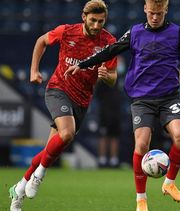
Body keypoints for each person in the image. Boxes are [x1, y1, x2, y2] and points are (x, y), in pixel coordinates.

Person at [65, 0, 180, 210]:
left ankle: (170, 184)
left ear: (165, 10)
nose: (155, 17)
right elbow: (110, 51)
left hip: (169, 97)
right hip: (142, 99)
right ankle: (141, 199)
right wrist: (82, 65)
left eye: (159, 13)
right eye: (152, 13)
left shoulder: (177, 33)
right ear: (145, 10)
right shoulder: (135, 32)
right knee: (141, 144)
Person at [9, 1, 117, 210]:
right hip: (58, 89)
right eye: (92, 20)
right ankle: (38, 176)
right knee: (67, 134)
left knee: (52, 148)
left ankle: (19, 188)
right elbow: (41, 41)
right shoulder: (67, 31)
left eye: (101, 21)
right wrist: (34, 70)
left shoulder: (108, 42)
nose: (96, 25)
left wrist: (107, 76)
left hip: (82, 100)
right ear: (84, 17)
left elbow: (113, 77)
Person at [96, 71, 123, 168]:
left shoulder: (120, 77)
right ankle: (102, 159)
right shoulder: (104, 78)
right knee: (104, 135)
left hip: (116, 112)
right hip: (105, 111)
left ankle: (114, 160)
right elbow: (97, 94)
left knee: (115, 136)